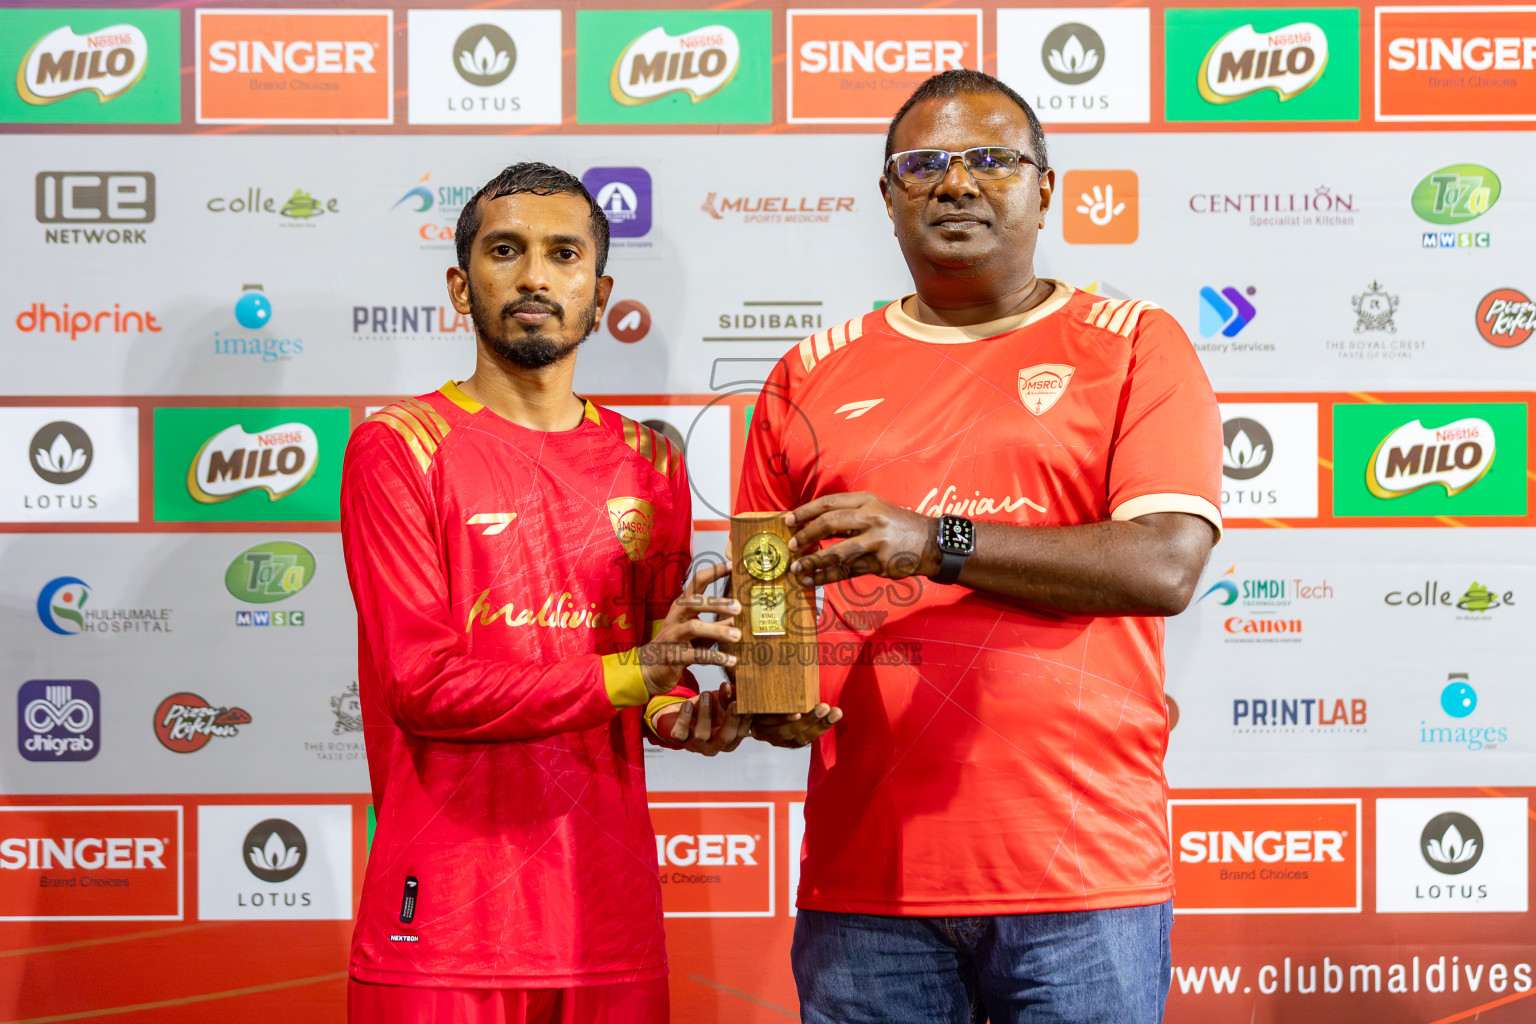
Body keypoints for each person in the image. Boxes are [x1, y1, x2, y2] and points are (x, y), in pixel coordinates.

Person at [736, 70, 1223, 1023]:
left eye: (993, 159)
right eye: (923, 164)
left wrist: (931, 541)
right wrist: (775, 705)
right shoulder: (808, 375)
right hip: (868, 884)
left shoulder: (1135, 346)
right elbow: (773, 605)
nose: (957, 183)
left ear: (1046, 187)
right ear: (888, 197)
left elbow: (1163, 564)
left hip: (1085, 878)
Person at [340, 162, 749, 1024]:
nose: (533, 276)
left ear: (598, 294)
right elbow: (424, 688)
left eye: (562, 254)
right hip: (446, 932)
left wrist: (692, 716)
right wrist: (642, 672)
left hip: (609, 924)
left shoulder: (653, 461)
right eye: (505, 251)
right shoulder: (399, 445)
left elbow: (652, 688)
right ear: (462, 284)